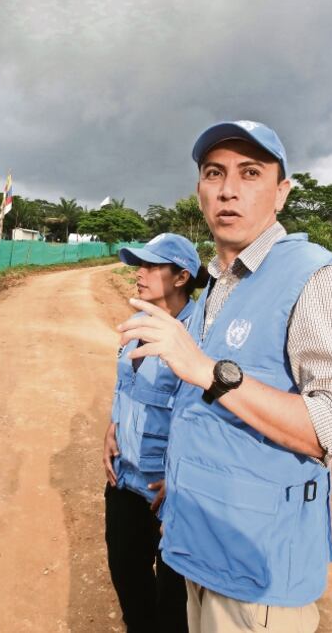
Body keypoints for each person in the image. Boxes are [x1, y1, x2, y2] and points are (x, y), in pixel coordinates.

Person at [117, 121, 332, 633]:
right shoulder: (217, 287)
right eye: (215, 173)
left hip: (257, 577)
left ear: (281, 193)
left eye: (250, 173)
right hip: (193, 549)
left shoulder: (317, 278)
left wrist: (209, 371)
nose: (229, 189)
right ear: (200, 193)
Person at [103, 233, 207, 633]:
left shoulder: (199, 336)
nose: (139, 273)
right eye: (138, 265)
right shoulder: (139, 323)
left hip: (168, 498)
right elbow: (125, 386)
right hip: (124, 482)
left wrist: (183, 480)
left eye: (150, 266)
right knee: (129, 586)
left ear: (181, 277)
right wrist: (110, 427)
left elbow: (205, 416)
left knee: (174, 609)